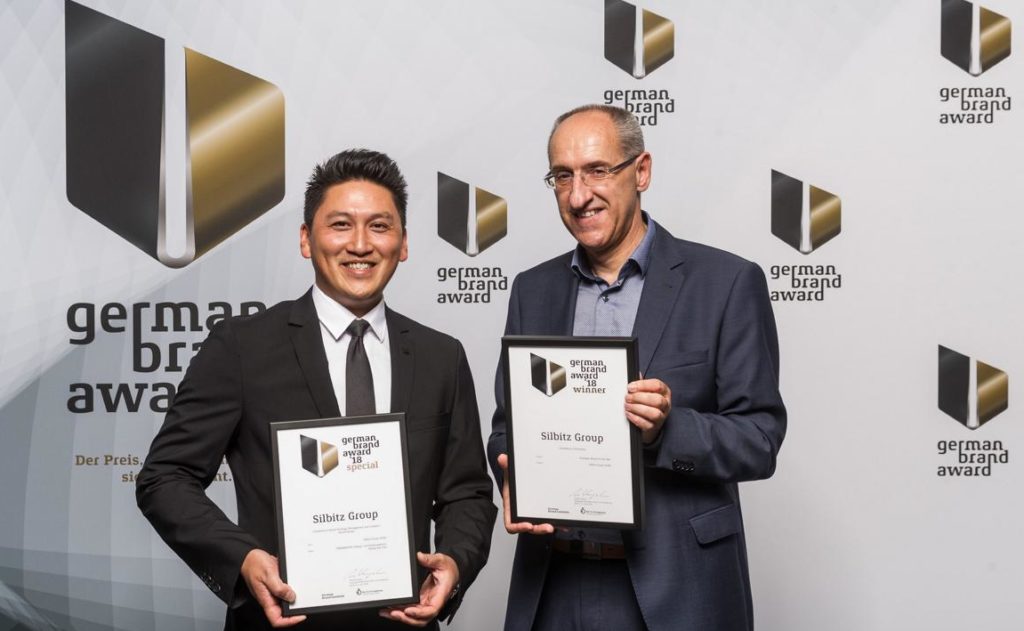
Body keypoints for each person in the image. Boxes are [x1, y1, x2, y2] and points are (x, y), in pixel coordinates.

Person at [137, 149, 497, 630]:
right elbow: (165, 477)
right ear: (307, 239)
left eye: (379, 226)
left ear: (404, 243)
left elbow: (467, 493)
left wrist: (454, 560)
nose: (361, 245)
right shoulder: (241, 348)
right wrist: (242, 557)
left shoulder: (441, 356)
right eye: (341, 225)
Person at [487, 105, 787, 631]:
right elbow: (506, 428)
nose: (579, 195)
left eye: (598, 171)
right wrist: (512, 473)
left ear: (641, 171)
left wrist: (668, 429)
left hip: (676, 589)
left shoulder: (726, 282)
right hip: (554, 584)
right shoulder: (532, 290)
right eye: (563, 176)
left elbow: (760, 439)